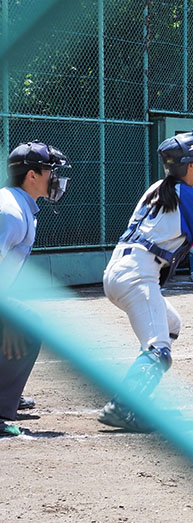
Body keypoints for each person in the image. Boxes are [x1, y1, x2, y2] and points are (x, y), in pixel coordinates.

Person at [98, 131, 193, 432]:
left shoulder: (158, 187)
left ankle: (138, 394)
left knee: (171, 324)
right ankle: (124, 406)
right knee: (159, 348)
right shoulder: (188, 193)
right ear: (192, 165)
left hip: (121, 269)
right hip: (138, 275)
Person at [0, 141, 71, 435]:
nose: (55, 178)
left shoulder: (19, 205)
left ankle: (6, 399)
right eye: (49, 171)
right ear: (32, 176)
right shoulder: (11, 212)